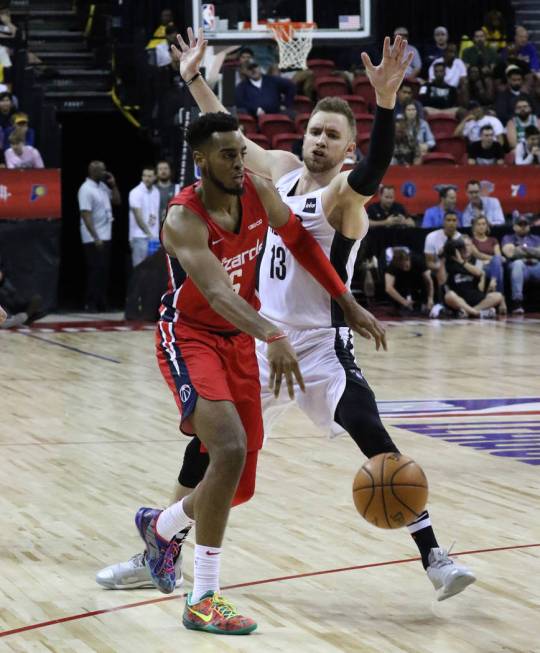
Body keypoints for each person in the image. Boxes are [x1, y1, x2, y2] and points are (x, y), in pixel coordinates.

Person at [97, 30, 476, 608]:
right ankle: (159, 548)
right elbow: (226, 136)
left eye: (332, 136)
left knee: (370, 433)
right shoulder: (276, 170)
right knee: (206, 451)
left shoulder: (344, 196)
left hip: (321, 345)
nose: (320, 141)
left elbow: (375, 170)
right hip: (256, 336)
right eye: (315, 131)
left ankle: (434, 556)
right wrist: (195, 78)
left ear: (348, 149)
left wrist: (385, 103)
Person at [133, 111, 387, 635]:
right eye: (227, 154)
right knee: (226, 449)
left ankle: (160, 526)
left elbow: (299, 240)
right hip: (190, 336)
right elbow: (220, 295)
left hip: (238, 339)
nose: (238, 161)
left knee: (236, 484)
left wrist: (347, 300)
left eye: (240, 151)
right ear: (201, 161)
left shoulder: (256, 188)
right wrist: (273, 334)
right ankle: (204, 596)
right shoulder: (183, 218)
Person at [77, 161, 121, 312]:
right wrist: (95, 237)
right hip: (92, 238)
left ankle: (102, 303)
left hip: (106, 234)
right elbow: (85, 214)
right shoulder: (85, 189)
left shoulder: (102, 187)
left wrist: (113, 185)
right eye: (101, 170)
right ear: (92, 171)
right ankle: (90, 303)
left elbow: (117, 200)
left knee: (104, 271)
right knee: (95, 271)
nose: (104, 173)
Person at [443, 237, 503, 317]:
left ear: (472, 247)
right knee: (449, 295)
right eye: (462, 246)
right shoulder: (451, 262)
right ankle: (476, 313)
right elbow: (443, 281)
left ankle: (468, 312)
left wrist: (462, 262)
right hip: (459, 299)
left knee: (498, 296)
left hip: (475, 297)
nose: (465, 248)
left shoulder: (477, 262)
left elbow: (479, 273)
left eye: (467, 245)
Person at [501, 214, 540, 313]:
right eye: (520, 224)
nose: (523, 227)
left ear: (529, 226)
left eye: (525, 224)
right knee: (518, 263)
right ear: (514, 226)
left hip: (535, 267)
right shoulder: (508, 237)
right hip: (520, 269)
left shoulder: (535, 238)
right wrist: (533, 252)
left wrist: (521, 250)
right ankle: (517, 302)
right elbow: (509, 253)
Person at [470, 214, 506, 311]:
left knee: (499, 267)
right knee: (499, 267)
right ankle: (502, 301)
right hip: (479, 266)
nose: (482, 226)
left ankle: (493, 281)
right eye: (479, 224)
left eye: (484, 224)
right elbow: (477, 254)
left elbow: (498, 254)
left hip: (492, 267)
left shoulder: (493, 240)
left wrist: (495, 260)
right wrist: (494, 259)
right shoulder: (472, 241)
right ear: (474, 226)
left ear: (487, 226)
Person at [385, 248, 434, 314]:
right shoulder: (392, 266)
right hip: (401, 285)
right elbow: (388, 288)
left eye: (405, 265)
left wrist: (430, 298)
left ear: (408, 259)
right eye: (401, 266)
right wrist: (404, 302)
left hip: (419, 282)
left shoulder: (418, 260)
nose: (404, 268)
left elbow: (429, 281)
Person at [128, 166, 160, 267]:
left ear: (155, 177)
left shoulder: (156, 191)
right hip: (140, 237)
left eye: (150, 176)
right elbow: (138, 217)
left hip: (154, 238)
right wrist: (149, 234)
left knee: (152, 271)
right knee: (139, 269)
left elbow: (156, 214)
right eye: (144, 176)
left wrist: (156, 237)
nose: (146, 178)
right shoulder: (135, 192)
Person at [424, 211, 463, 289]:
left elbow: (464, 260)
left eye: (454, 220)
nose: (451, 223)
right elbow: (429, 262)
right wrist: (440, 265)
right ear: (443, 222)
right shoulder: (431, 237)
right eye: (448, 220)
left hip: (457, 268)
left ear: (457, 222)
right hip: (438, 266)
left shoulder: (461, 239)